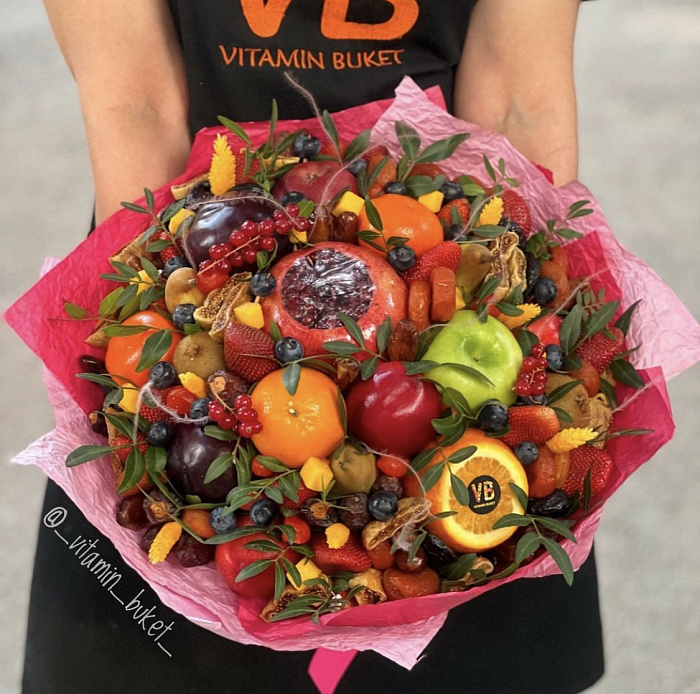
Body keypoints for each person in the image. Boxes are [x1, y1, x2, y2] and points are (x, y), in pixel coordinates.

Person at [25, 1, 603, 692]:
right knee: (169, 585)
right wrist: (169, 351)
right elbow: (137, 105)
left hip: (439, 257)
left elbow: (515, 102)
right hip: (199, 252)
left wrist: (524, 306)